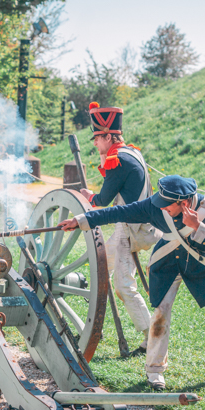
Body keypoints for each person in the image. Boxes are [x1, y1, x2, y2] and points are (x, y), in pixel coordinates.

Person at [58, 175, 205, 390]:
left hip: (204, 264)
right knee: (160, 314)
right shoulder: (156, 204)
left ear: (183, 203)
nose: (161, 208)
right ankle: (154, 370)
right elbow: (118, 212)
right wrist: (80, 221)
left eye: (167, 206)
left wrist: (198, 226)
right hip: (167, 263)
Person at [79, 102, 159, 356]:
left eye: (97, 138)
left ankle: (151, 339)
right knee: (102, 267)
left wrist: (87, 196)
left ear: (108, 136)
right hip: (137, 224)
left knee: (124, 286)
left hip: (131, 228)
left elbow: (102, 200)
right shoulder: (131, 153)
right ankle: (92, 322)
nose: (95, 143)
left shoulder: (117, 160)